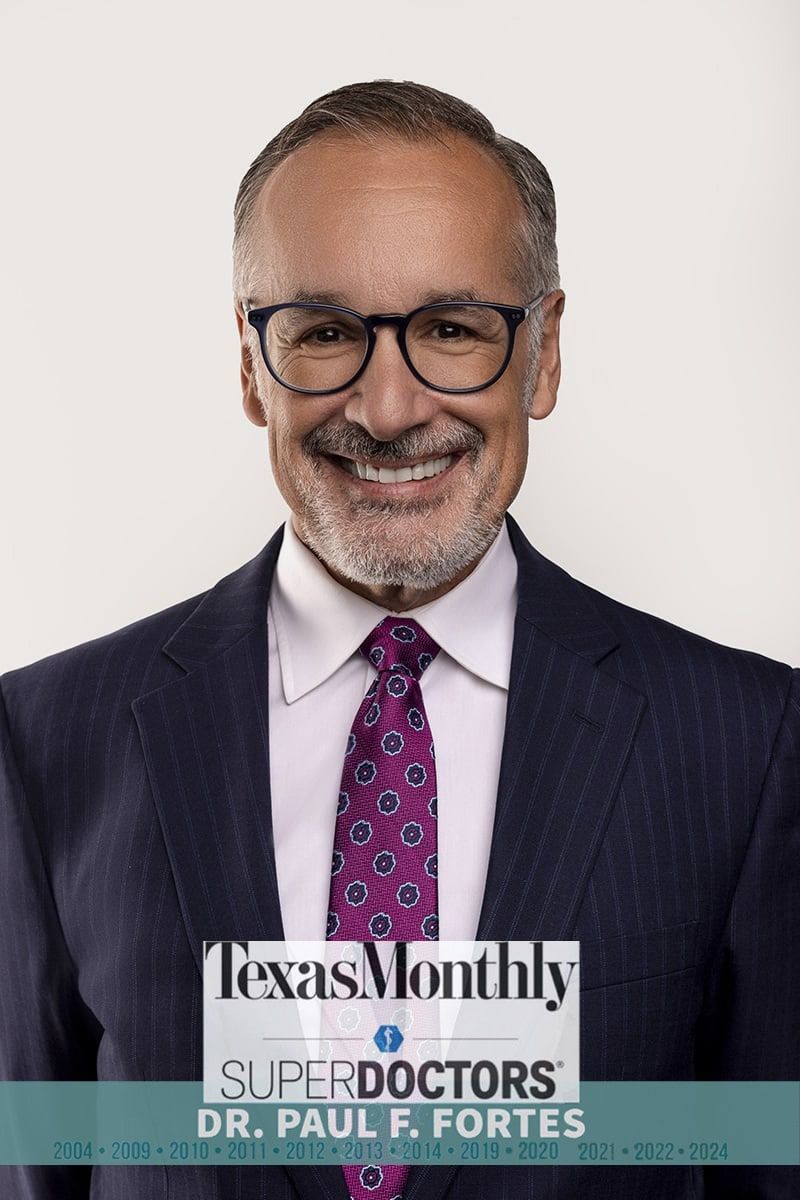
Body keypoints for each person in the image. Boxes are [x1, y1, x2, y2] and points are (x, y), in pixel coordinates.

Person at [0, 79, 797, 1200]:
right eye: (324, 332)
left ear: (543, 354)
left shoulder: (745, 743)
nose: (386, 408)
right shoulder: (43, 742)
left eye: (451, 329)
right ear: (246, 362)